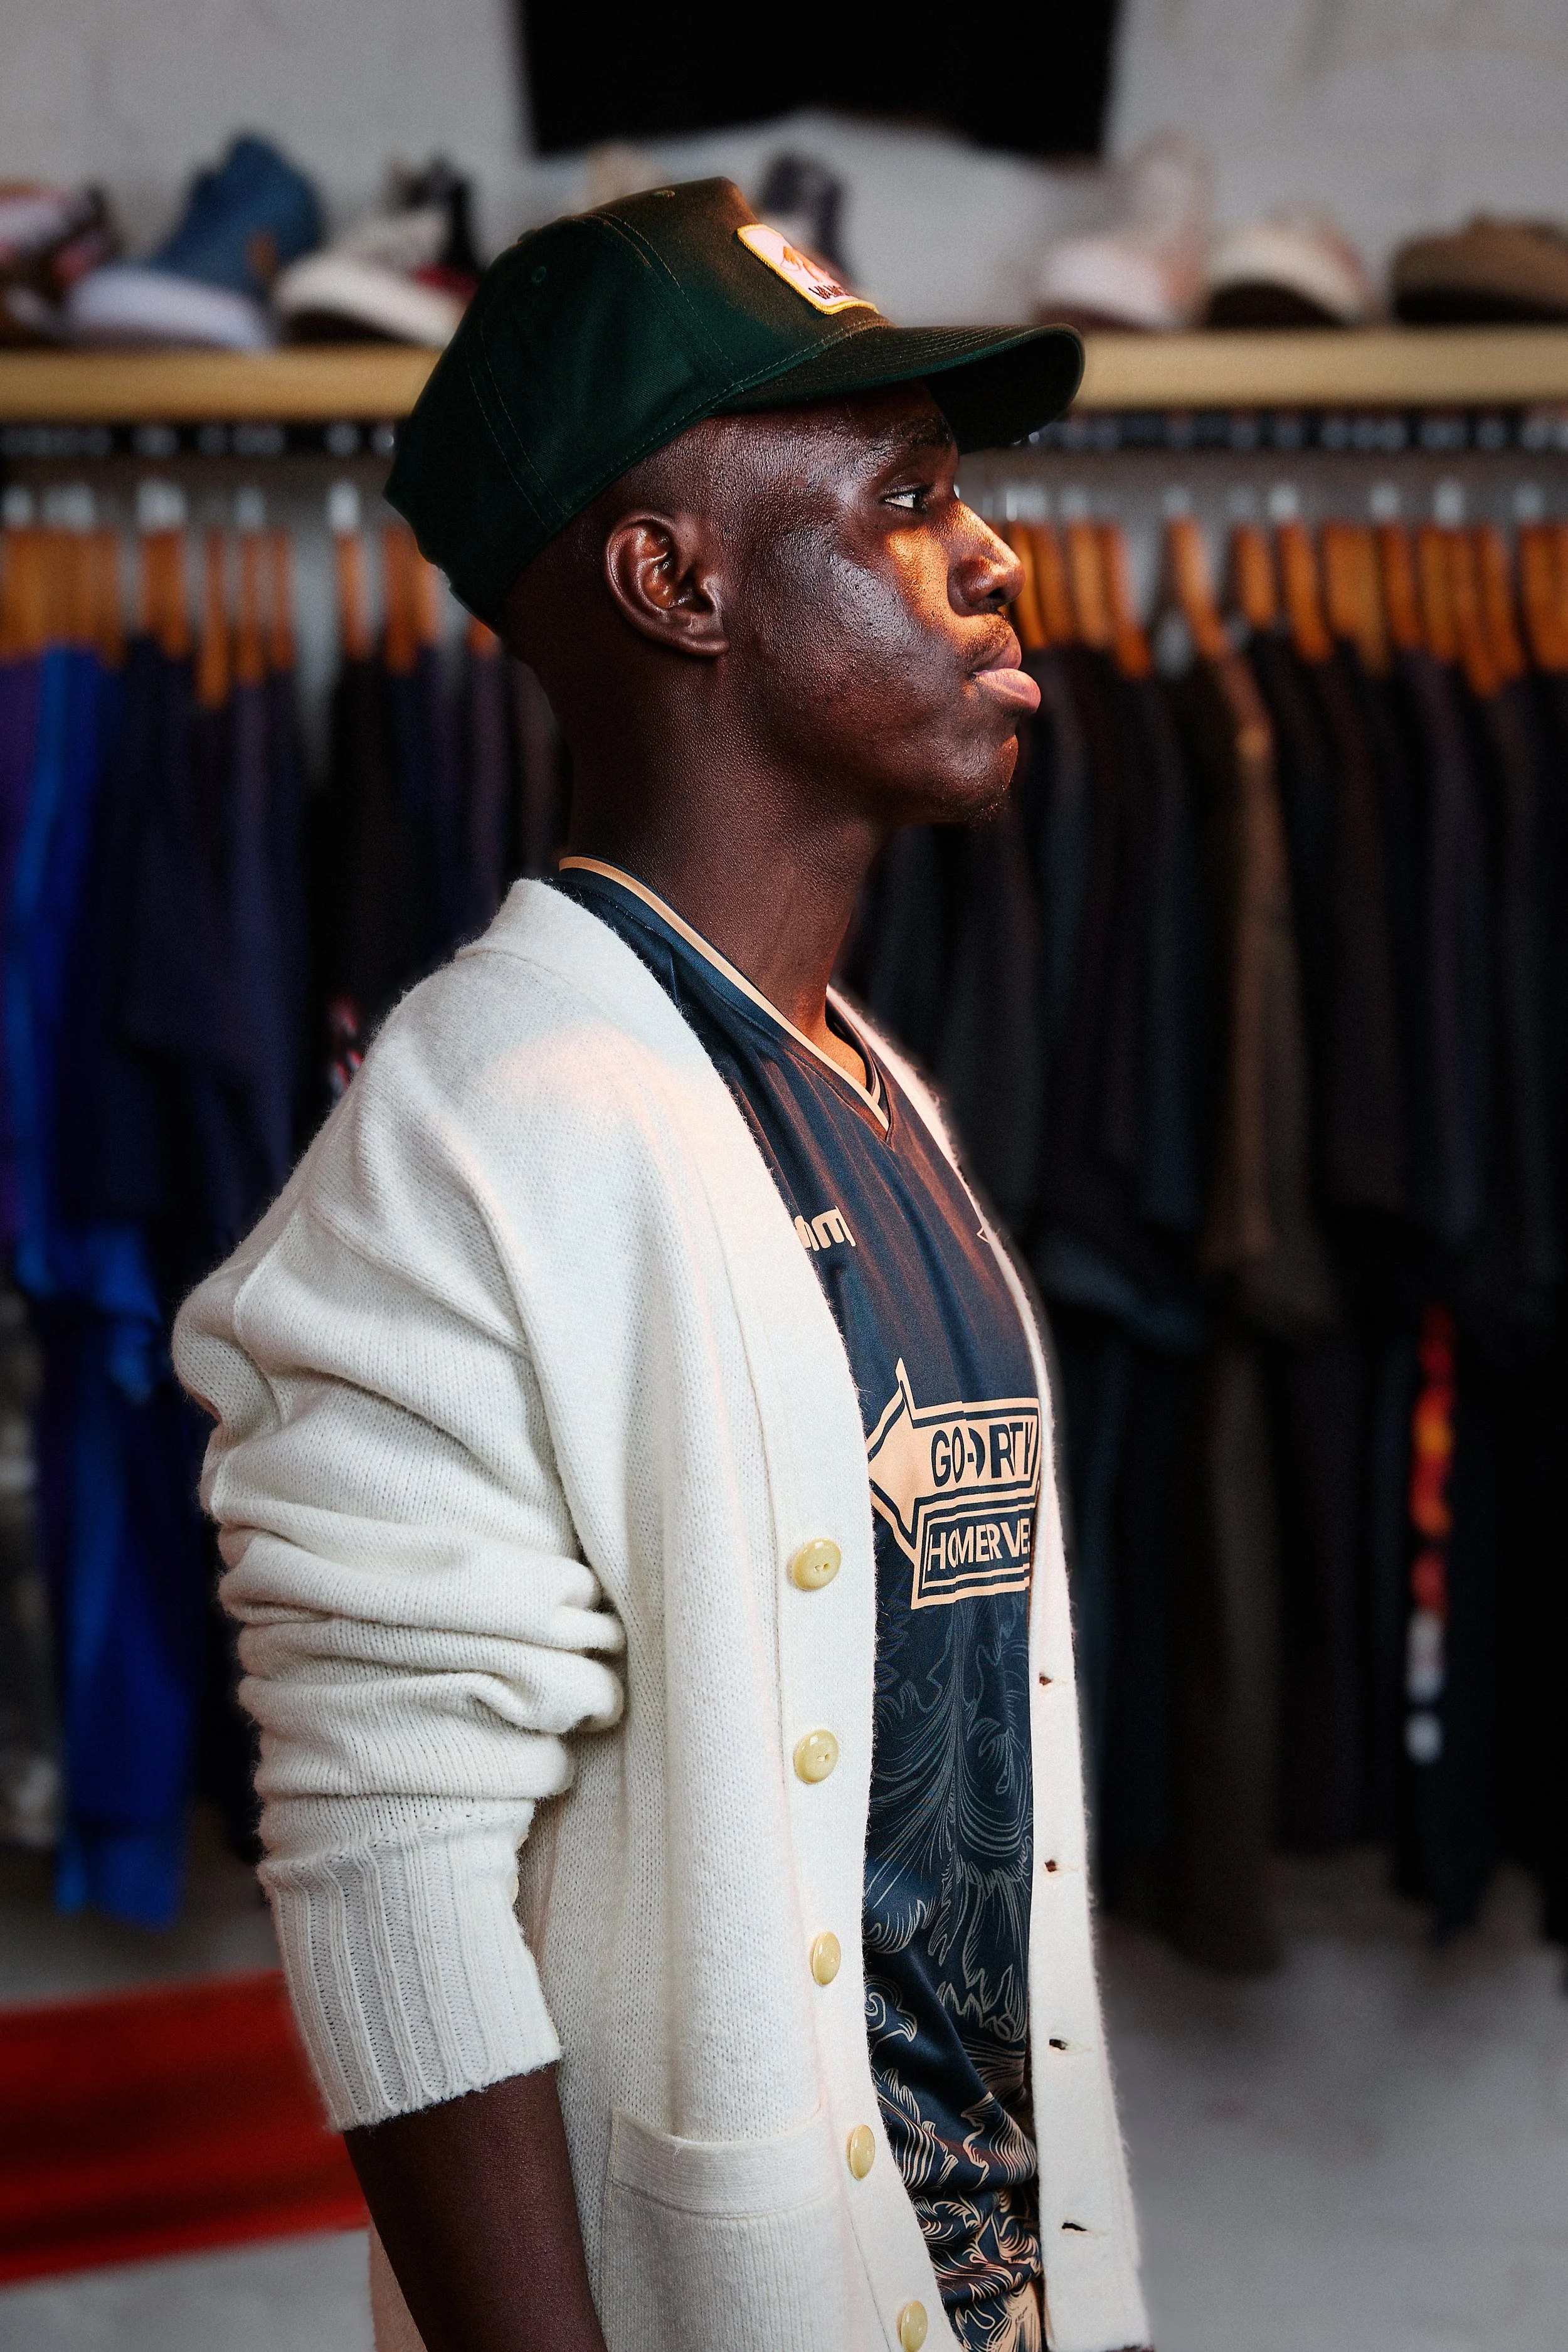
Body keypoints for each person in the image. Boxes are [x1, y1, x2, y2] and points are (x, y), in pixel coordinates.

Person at [174, 178, 1148, 2352]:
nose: (990, 558)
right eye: (900, 499)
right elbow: (388, 1866)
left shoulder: (851, 1071)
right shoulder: (483, 1127)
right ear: (673, 580)